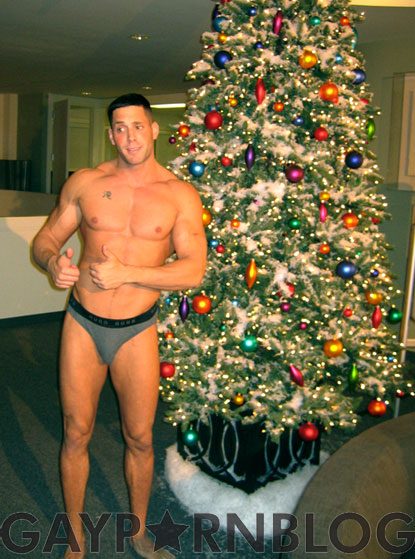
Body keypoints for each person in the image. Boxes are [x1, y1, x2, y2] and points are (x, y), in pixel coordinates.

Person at [32, 93, 207, 559]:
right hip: (83, 323)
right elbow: (47, 238)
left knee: (140, 438)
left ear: (154, 129)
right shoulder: (86, 183)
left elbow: (193, 270)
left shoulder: (179, 195)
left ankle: (139, 534)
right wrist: (52, 263)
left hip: (137, 329)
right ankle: (74, 537)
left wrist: (128, 272)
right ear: (111, 134)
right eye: (121, 128)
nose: (130, 136)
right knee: (76, 433)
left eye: (138, 126)